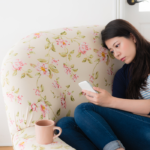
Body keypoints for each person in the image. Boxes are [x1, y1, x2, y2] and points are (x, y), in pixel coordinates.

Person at [55, 19, 150, 150]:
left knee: (83, 109)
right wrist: (104, 103)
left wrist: (110, 101)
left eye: (117, 45)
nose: (116, 54)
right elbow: (120, 117)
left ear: (132, 37)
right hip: (136, 133)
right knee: (64, 125)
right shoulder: (122, 76)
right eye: (111, 51)